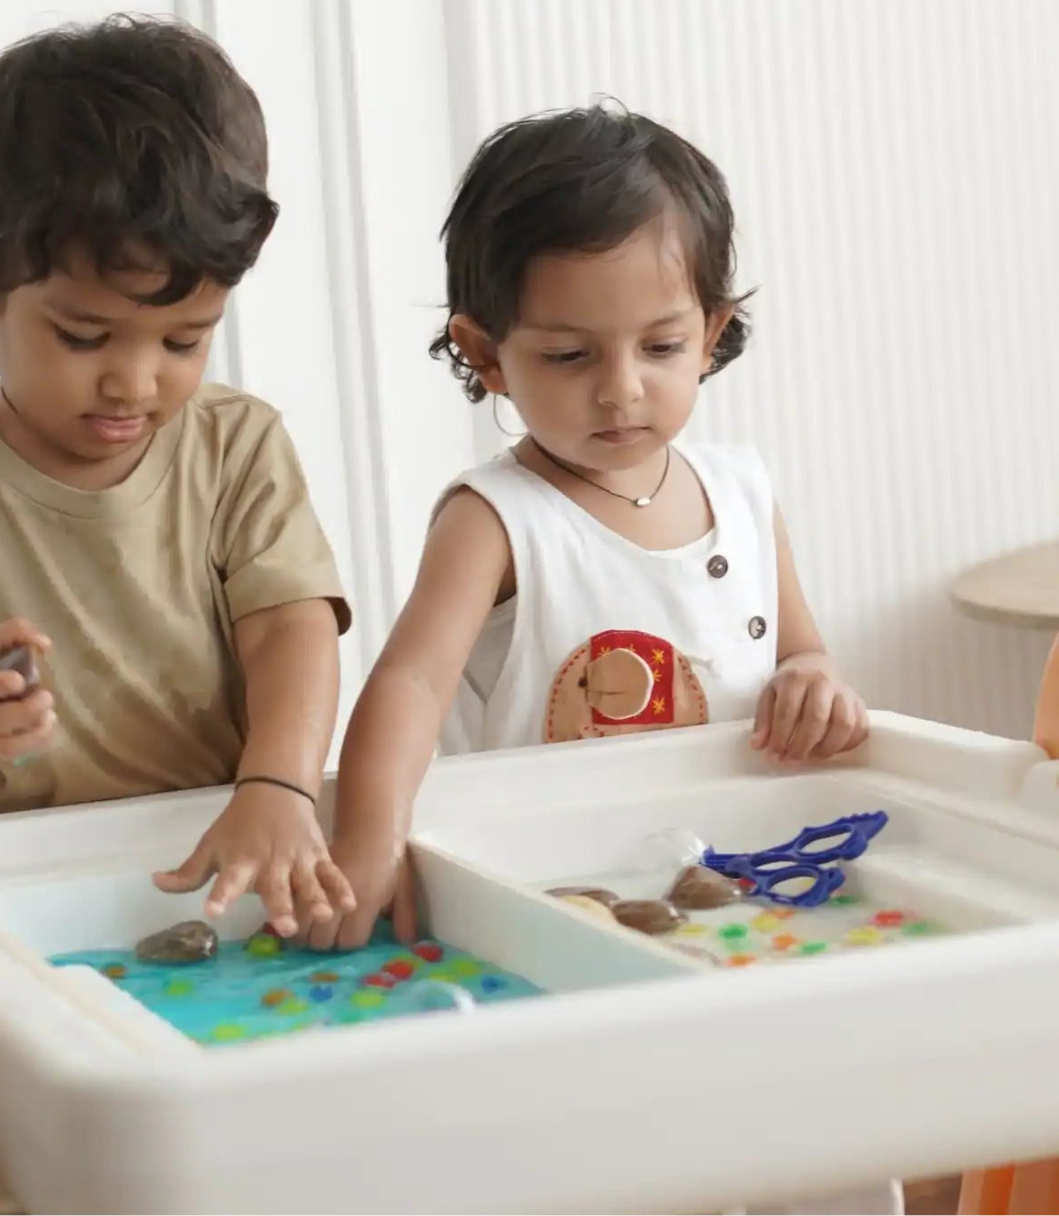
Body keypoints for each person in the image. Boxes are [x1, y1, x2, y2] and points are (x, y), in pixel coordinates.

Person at [320, 98, 900, 1216]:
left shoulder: (742, 492)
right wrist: (372, 836)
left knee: (812, 1138)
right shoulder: (497, 518)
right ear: (483, 350)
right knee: (616, 1169)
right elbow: (406, 680)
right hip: (564, 916)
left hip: (751, 898)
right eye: (572, 354)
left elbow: (805, 647)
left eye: (662, 346)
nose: (622, 388)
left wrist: (815, 680)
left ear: (715, 327)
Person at [0, 16, 355, 937]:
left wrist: (281, 784)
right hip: (21, 896)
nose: (135, 381)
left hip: (231, 851)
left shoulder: (236, 446)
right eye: (84, 336)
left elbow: (292, 628)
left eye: (184, 340)